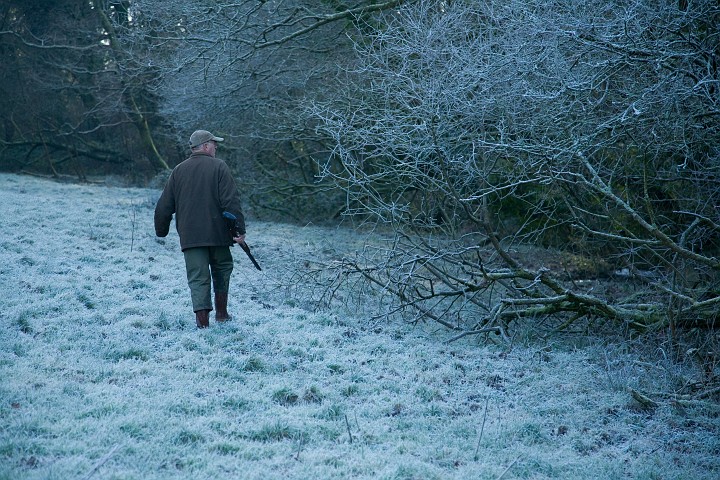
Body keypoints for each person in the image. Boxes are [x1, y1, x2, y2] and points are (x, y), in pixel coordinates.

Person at [154, 129, 246, 329]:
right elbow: (231, 201)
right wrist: (238, 230)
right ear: (205, 146)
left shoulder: (178, 170)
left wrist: (161, 230)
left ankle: (202, 323)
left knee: (198, 277)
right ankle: (221, 315)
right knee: (222, 269)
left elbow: (164, 205)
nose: (216, 147)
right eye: (214, 144)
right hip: (219, 235)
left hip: (191, 237)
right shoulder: (220, 167)